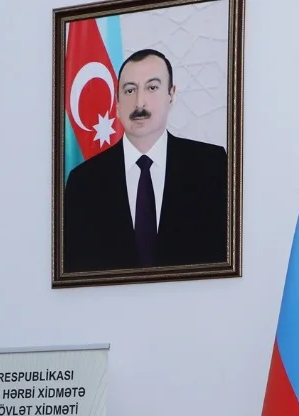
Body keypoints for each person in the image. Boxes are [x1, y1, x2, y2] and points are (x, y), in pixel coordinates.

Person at [62, 50, 228, 273]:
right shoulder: (82, 182)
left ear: (171, 95)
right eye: (130, 90)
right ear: (117, 104)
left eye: (152, 88)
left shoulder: (213, 166)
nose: (139, 103)